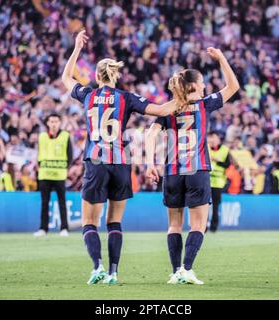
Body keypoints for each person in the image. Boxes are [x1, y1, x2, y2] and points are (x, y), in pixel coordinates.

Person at [61, 30, 178, 285]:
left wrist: (77, 48)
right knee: (114, 221)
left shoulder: (88, 94)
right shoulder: (126, 97)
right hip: (121, 163)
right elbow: (160, 109)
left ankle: (97, 267)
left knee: (89, 222)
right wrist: (183, 98)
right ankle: (114, 272)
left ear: (96, 76)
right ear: (116, 75)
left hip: (96, 161)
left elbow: (65, 77)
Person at [146, 47, 239, 285]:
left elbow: (150, 133)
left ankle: (176, 271)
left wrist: (149, 163)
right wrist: (222, 59)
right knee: (198, 224)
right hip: (197, 170)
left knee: (174, 225)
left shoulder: (167, 109)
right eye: (203, 83)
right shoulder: (203, 104)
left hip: (173, 172)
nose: (206, 86)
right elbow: (233, 87)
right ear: (194, 86)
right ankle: (187, 269)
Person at [34, 113, 73, 237]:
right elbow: (39, 154)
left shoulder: (65, 136)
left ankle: (64, 228)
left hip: (59, 175)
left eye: (56, 121)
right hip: (45, 174)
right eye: (51, 121)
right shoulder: (42, 137)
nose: (54, 124)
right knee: (44, 203)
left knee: (62, 202)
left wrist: (64, 168)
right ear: (47, 123)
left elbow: (70, 156)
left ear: (60, 123)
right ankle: (43, 229)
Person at [207, 131, 230, 232]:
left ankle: (213, 227)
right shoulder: (205, 147)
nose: (212, 140)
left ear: (218, 139)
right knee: (203, 205)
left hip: (218, 182)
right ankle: (203, 227)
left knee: (215, 206)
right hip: (206, 180)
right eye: (211, 138)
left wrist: (217, 160)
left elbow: (227, 164)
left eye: (214, 138)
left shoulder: (225, 150)